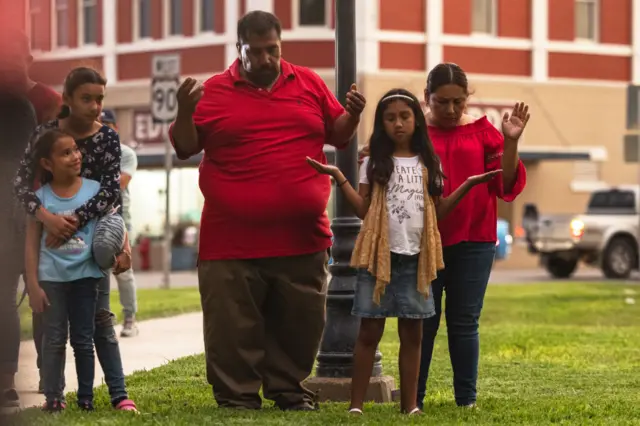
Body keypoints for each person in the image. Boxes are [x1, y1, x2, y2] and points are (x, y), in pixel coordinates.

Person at [169, 11, 365, 411]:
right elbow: (185, 147)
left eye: (271, 50)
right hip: (230, 239)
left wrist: (354, 114)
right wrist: (185, 112)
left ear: (281, 45)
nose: (264, 59)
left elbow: (339, 134)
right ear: (238, 49)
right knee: (231, 325)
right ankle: (237, 396)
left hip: (301, 236)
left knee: (300, 321)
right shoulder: (214, 91)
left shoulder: (308, 82)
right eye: (254, 52)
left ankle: (289, 391)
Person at [307, 88, 500, 415]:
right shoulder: (373, 161)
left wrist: (467, 184)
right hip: (378, 259)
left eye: (405, 116)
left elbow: (435, 214)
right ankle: (356, 406)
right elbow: (363, 210)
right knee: (369, 332)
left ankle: (410, 406)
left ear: (416, 120)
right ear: (382, 124)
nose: (398, 124)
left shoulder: (428, 161)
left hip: (416, 261)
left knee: (413, 333)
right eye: (391, 118)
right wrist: (339, 177)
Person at [13, 67, 138, 412]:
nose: (96, 106)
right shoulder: (46, 135)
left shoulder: (107, 139)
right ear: (67, 99)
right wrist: (47, 218)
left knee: (99, 322)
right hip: (52, 243)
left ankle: (118, 393)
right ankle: (53, 392)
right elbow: (20, 186)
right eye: (87, 99)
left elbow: (111, 195)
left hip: (93, 243)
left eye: (100, 99)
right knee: (52, 329)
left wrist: (111, 240)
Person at [416, 63, 529, 409]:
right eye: (442, 102)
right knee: (423, 323)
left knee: (464, 321)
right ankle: (412, 399)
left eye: (458, 102)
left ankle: (466, 400)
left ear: (467, 100)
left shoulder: (483, 132)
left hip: (474, 240)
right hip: (424, 242)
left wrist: (510, 142)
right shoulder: (414, 133)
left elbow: (505, 183)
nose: (451, 110)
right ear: (427, 98)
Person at [24, 129, 111, 412]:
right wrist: (34, 285)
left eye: (75, 149)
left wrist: (121, 251)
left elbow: (112, 225)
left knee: (84, 341)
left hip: (86, 278)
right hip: (52, 281)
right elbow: (31, 246)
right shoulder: (40, 199)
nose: (75, 156)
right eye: (65, 153)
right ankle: (54, 397)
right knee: (54, 340)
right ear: (47, 164)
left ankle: (86, 397)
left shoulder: (94, 190)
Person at [0, 29, 61, 407]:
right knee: (5, 295)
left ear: (28, 60)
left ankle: (46, 374)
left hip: (40, 206)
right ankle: (8, 377)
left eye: (11, 57)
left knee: (43, 293)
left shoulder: (46, 101)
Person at [99, 109, 140, 337]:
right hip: (95, 219)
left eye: (107, 123)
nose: (103, 127)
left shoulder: (126, 153)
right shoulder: (88, 152)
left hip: (120, 220)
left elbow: (120, 184)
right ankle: (103, 320)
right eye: (99, 123)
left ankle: (130, 318)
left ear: (115, 128)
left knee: (123, 271)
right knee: (97, 273)